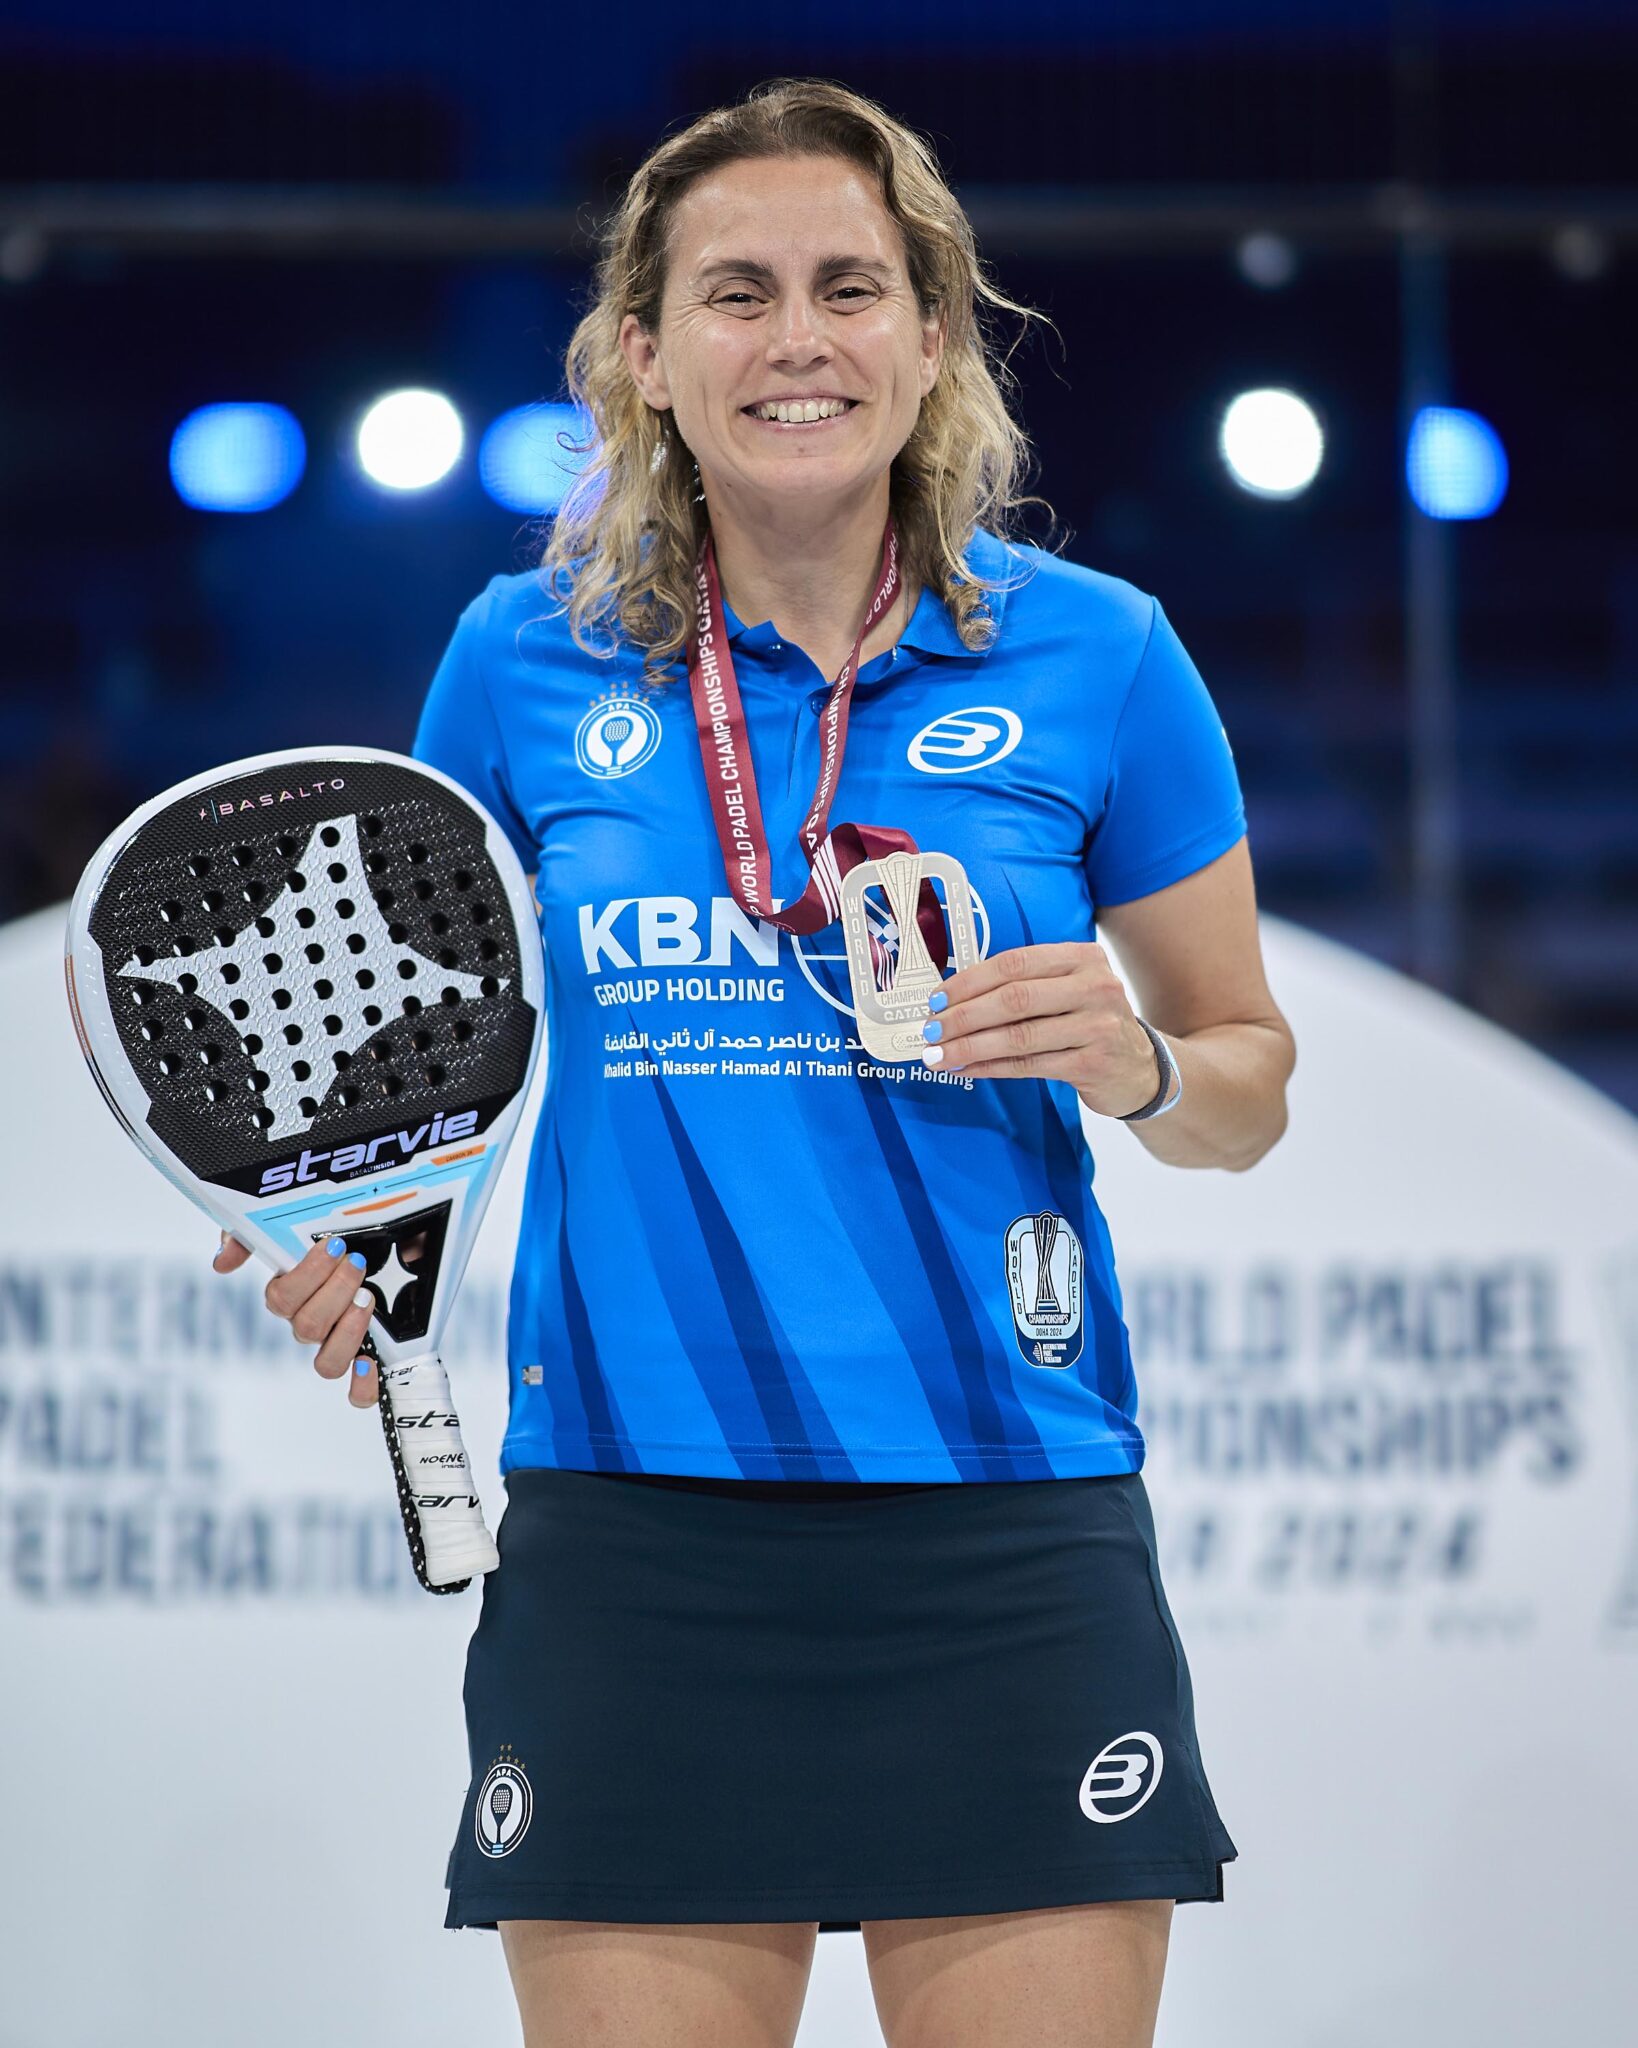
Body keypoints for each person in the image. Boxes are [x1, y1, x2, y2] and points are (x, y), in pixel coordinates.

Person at [215, 76, 1294, 2048]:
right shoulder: (517, 658)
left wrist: (1140, 1064)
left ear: (931, 335)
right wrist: (359, 1241)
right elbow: (413, 1072)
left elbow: (1248, 1080)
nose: (798, 338)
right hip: (635, 1530)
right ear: (643, 352)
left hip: (1003, 1520)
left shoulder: (1102, 653)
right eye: (737, 293)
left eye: (849, 288)